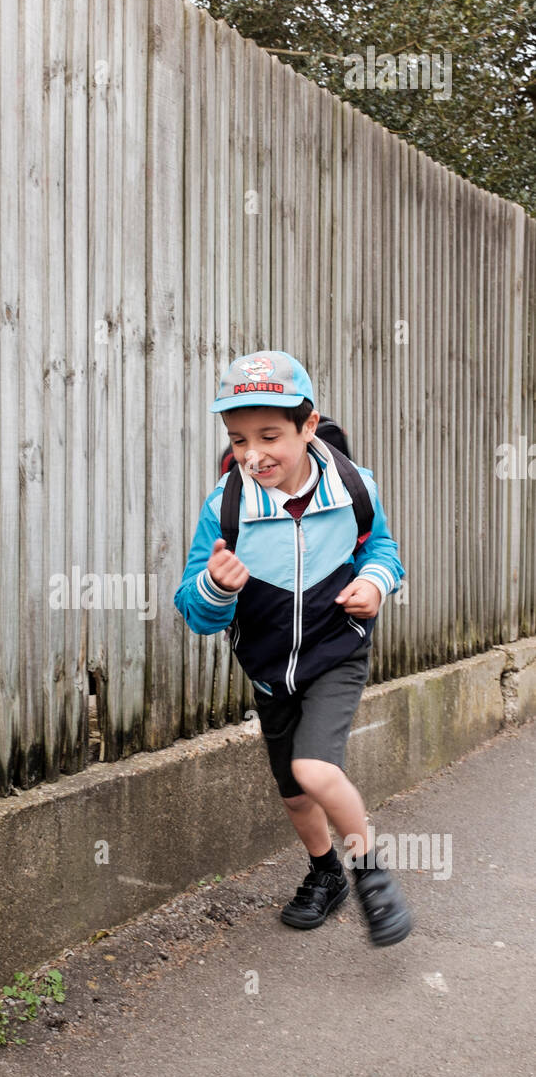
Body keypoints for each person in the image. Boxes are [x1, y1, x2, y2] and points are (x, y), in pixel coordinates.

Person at [174, 351, 412, 947]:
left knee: (314, 767)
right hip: (270, 668)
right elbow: (193, 609)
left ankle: (369, 874)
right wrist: (217, 587)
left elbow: (382, 550)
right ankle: (325, 872)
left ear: (309, 425)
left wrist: (375, 583)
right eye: (239, 438)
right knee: (294, 791)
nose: (253, 454)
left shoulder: (354, 487)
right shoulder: (226, 506)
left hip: (337, 651)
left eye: (271, 435)